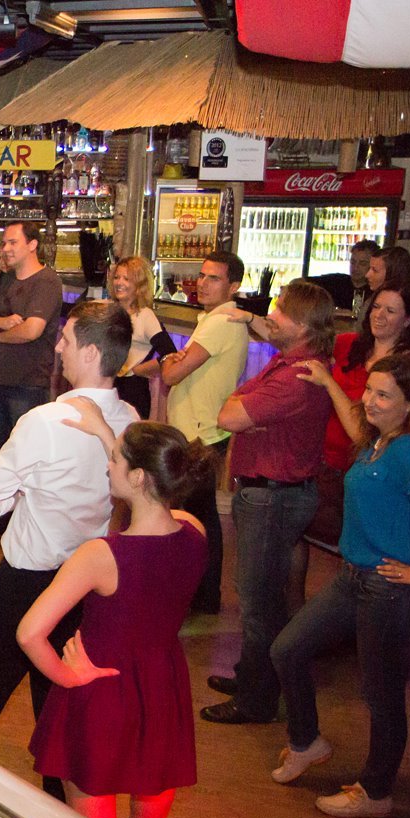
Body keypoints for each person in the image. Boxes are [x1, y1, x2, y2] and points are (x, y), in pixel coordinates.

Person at [0, 300, 138, 793]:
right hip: (87, 587)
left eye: (67, 340)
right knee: (56, 712)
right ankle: (60, 817)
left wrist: (21, 491)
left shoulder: (46, 421)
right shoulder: (130, 418)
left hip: (25, 584)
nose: (59, 347)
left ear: (90, 353)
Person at [270, 353, 410, 818]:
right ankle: (307, 741)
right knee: (287, 649)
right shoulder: (379, 443)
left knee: (381, 694)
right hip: (354, 579)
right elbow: (357, 425)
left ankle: (376, 792)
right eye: (368, 390)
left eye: (382, 394)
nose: (368, 401)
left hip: (391, 590)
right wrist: (329, 382)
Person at [21, 414, 214, 818]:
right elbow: (157, 507)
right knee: (154, 784)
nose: (108, 465)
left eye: (113, 459)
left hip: (102, 689)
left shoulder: (101, 556)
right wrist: (114, 439)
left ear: (140, 475)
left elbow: (29, 632)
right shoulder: (195, 531)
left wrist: (68, 676)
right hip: (161, 682)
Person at [200, 279, 334, 724]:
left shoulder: (297, 375)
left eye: (279, 311)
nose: (271, 316)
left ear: (301, 325)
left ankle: (257, 699)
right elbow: (236, 404)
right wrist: (242, 409)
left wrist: (243, 411)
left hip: (274, 496)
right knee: (259, 597)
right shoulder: (289, 362)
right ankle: (252, 676)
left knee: (259, 602)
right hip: (268, 493)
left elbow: (228, 414)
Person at [289, 280, 410, 598]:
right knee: (303, 532)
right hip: (327, 463)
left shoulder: (409, 367)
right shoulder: (349, 344)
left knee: (359, 548)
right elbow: (302, 335)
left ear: (407, 320)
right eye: (376, 306)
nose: (379, 315)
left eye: (391, 310)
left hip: (364, 468)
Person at [159, 251, 251, 615]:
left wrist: (171, 360)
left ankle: (199, 595)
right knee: (199, 515)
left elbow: (170, 375)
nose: (203, 282)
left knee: (192, 517)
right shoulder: (218, 319)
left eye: (213, 278)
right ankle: (202, 594)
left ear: (234, 286)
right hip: (203, 429)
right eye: (202, 275)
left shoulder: (220, 322)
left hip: (199, 432)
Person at [0, 221, 65, 540]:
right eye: (4, 243)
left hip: (28, 382)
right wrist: (0, 323)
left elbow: (32, 331)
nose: (5, 248)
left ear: (32, 245)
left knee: (27, 456)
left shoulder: (47, 281)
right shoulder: (7, 279)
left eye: (12, 242)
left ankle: (27, 526)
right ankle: (0, 523)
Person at [107, 256, 175, 420]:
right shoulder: (110, 310)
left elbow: (170, 353)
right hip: (110, 383)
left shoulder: (145, 315)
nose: (119, 283)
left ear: (139, 285)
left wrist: (138, 370)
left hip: (134, 388)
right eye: (116, 277)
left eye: (126, 279)